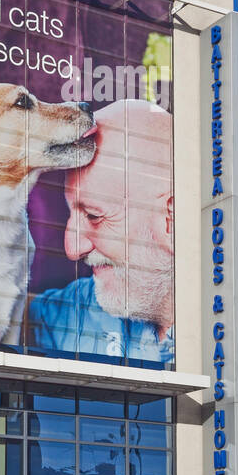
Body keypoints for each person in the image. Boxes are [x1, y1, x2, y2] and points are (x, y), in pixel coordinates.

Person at [25, 99, 175, 365]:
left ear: (172, 219)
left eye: (94, 215)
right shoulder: (76, 310)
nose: (72, 249)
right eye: (71, 212)